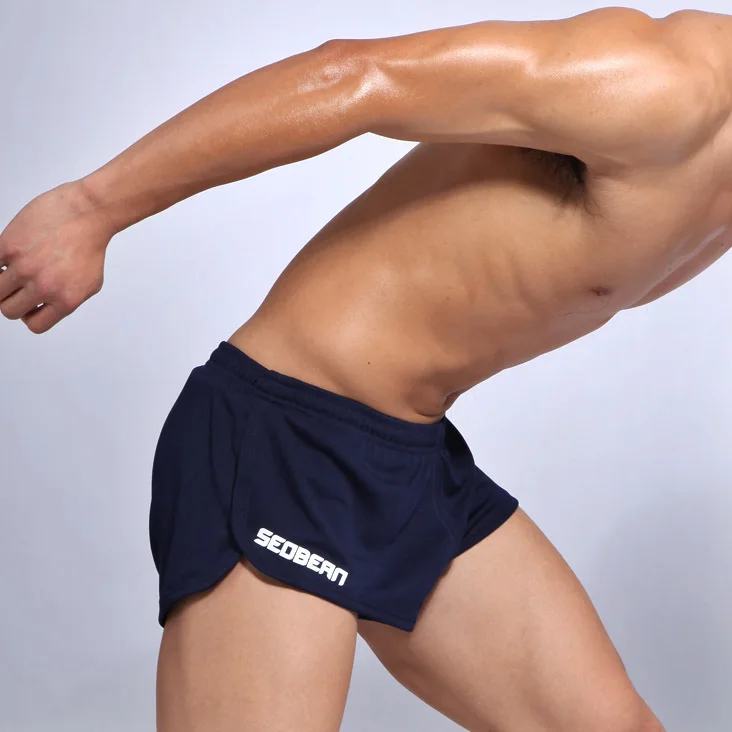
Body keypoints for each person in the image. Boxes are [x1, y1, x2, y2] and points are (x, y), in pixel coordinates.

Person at [1, 6, 730, 730]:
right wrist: (91, 208)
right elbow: (358, 73)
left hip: (412, 461)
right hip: (285, 438)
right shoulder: (658, 84)